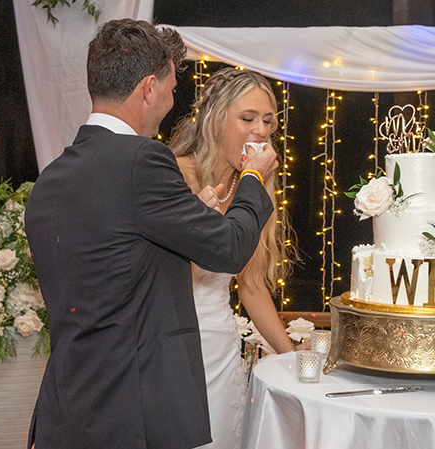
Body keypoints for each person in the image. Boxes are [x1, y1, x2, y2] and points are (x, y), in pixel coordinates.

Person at [24, 19, 278, 449]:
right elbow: (230, 249)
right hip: (131, 413)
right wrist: (253, 177)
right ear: (148, 88)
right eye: (172, 87)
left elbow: (117, 264)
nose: (172, 98)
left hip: (68, 405)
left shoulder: (50, 178)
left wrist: (193, 218)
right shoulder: (143, 161)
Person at [166, 67, 298, 449]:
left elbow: (252, 285)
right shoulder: (173, 175)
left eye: (269, 123)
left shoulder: (255, 191)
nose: (261, 131)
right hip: (171, 349)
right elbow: (161, 273)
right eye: (248, 118)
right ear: (214, 119)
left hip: (222, 355)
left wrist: (291, 358)